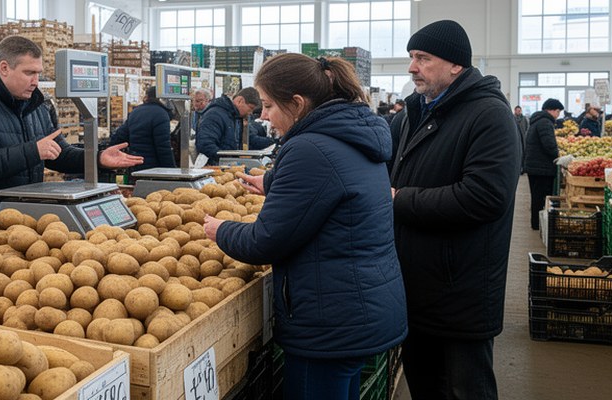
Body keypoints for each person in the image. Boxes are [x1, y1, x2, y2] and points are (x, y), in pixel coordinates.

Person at [204, 53, 405, 400]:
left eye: (268, 105)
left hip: (329, 323)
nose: (263, 116)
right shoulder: (353, 133)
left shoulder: (308, 147)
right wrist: (273, 183)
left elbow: (263, 242)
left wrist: (220, 230)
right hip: (359, 309)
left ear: (297, 103)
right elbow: (333, 186)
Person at [387, 20, 522, 400]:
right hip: (416, 284)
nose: (412, 67)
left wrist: (399, 199)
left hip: (461, 288)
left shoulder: (489, 116)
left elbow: (484, 197)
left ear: (456, 65)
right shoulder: (413, 114)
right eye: (412, 57)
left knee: (466, 389)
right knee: (425, 385)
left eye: (423, 58)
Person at [0, 36, 142, 220]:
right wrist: (33, 151)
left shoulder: (37, 104)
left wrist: (96, 158)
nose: (36, 81)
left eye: (38, 73)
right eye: (29, 73)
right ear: (4, 68)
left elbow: (58, 154)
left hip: (20, 215)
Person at [195, 88, 274, 165]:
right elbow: (205, 144)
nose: (250, 113)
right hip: (216, 168)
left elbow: (251, 139)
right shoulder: (214, 115)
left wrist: (273, 142)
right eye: (250, 108)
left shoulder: (236, 117)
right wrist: (228, 161)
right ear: (240, 101)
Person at [107, 85, 176, 173]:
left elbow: (120, 136)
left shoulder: (135, 111)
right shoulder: (161, 114)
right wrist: (172, 171)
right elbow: (163, 148)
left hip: (135, 164)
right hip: (154, 169)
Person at [524, 99, 564, 231]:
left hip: (534, 165)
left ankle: (536, 223)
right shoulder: (545, 123)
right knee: (540, 197)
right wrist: (558, 154)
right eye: (557, 111)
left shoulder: (537, 121)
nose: (558, 115)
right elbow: (549, 144)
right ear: (550, 110)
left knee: (536, 196)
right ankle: (538, 224)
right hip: (542, 167)